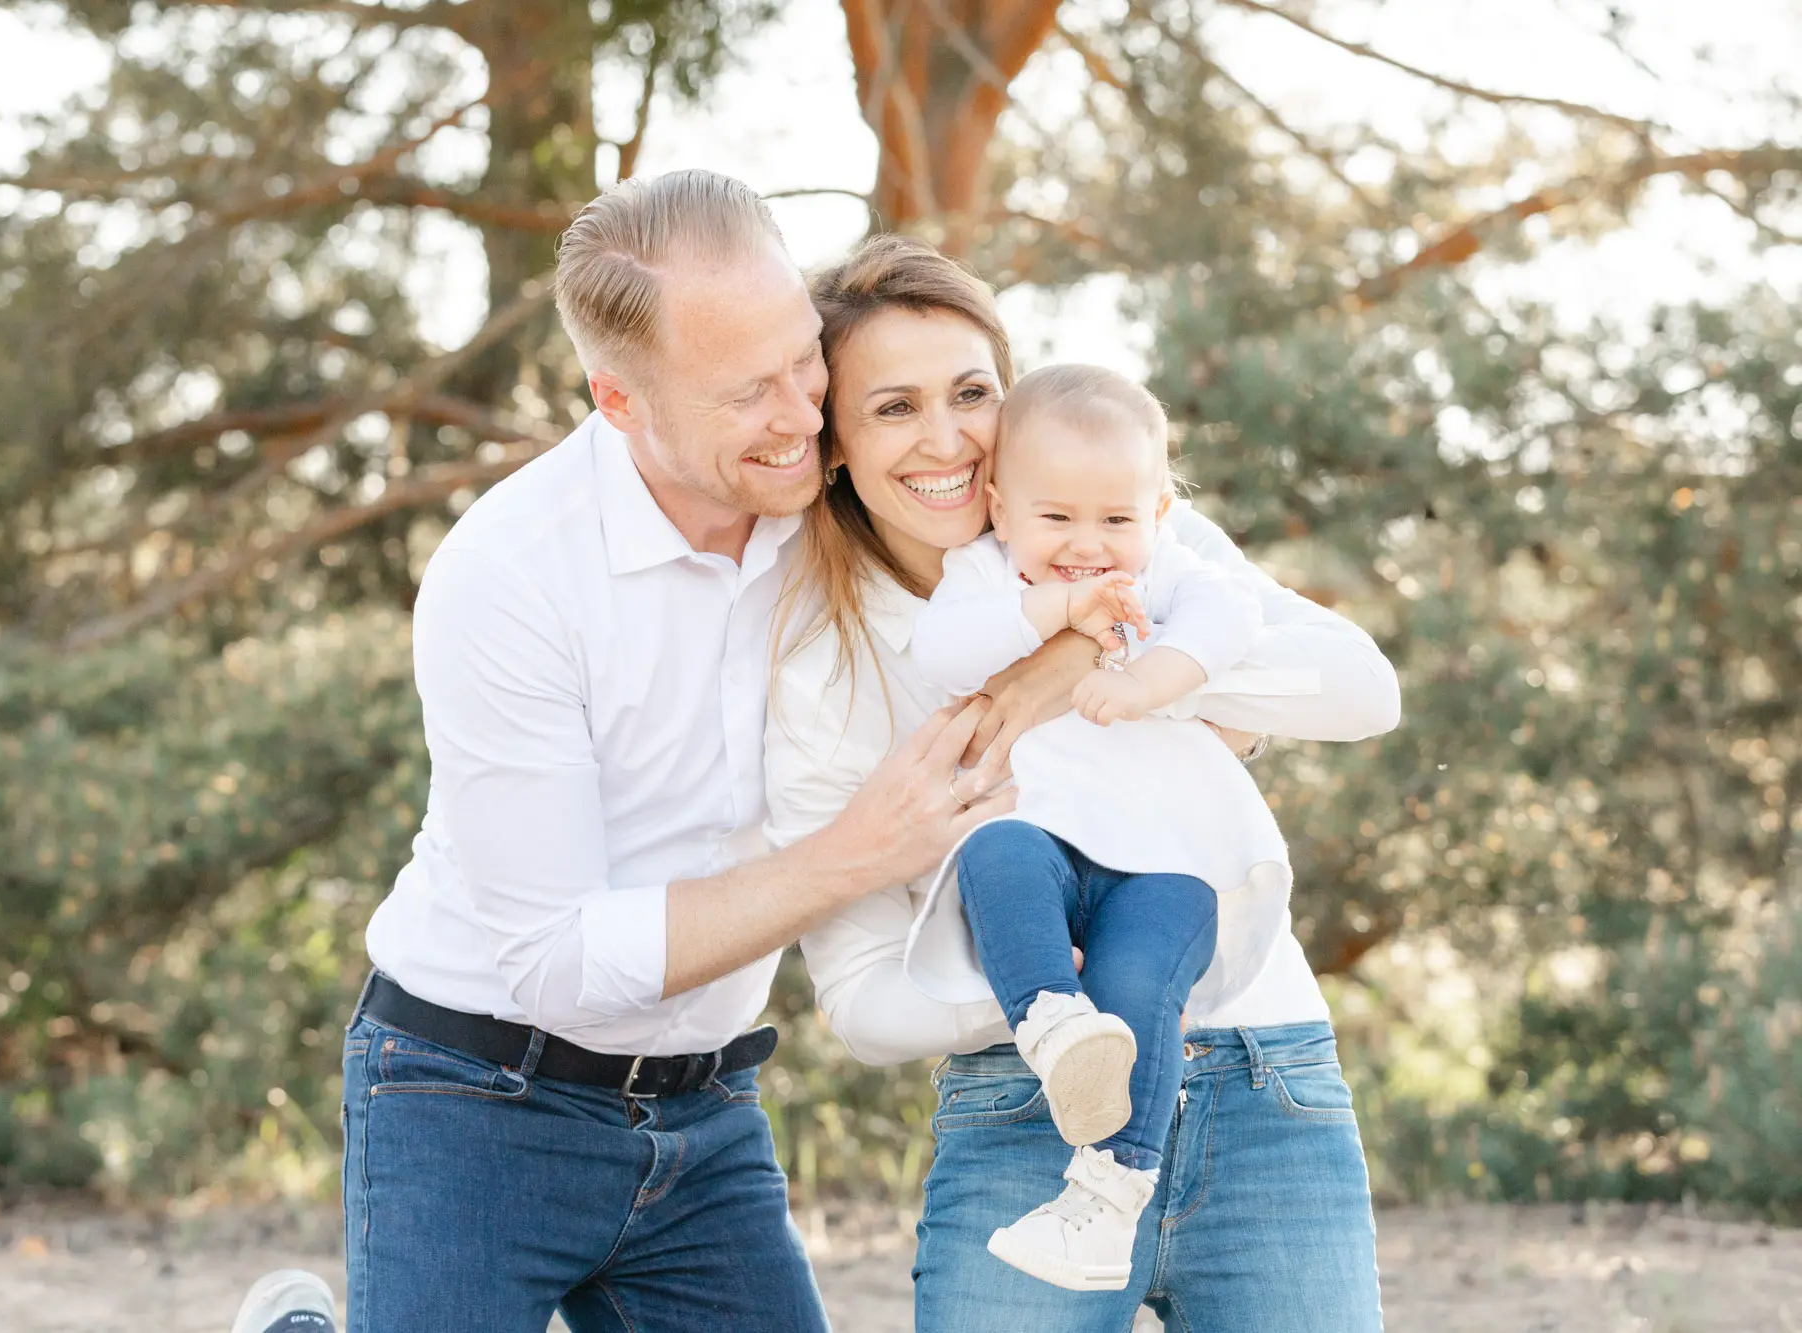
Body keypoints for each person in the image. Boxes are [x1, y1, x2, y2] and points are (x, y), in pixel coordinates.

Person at [338, 170, 1049, 1332]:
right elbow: (553, 958)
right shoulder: (508, 575)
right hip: (469, 1091)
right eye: (745, 393)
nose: (802, 415)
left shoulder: (834, 486)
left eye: (800, 359)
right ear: (618, 401)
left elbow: (1045, 520)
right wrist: (851, 855)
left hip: (707, 1105)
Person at [765, 234, 1399, 1331]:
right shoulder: (827, 662)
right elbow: (861, 1000)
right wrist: (1066, 995)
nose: (946, 438)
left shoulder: (1133, 535)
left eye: (970, 393)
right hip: (1027, 1098)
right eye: (892, 408)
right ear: (832, 446)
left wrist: (1099, 655)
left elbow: (1361, 690)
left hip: (1264, 1081)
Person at [906, 362, 1312, 1291]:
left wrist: (1146, 679)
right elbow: (942, 651)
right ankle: (1051, 1022)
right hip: (1046, 840)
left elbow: (1231, 610)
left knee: (1141, 981)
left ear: (1158, 512)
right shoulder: (981, 575)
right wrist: (1059, 613)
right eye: (1056, 520)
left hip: (1169, 864)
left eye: (1117, 521)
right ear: (1000, 508)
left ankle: (1105, 1199)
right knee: (996, 856)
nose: (1088, 546)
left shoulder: (1168, 572)